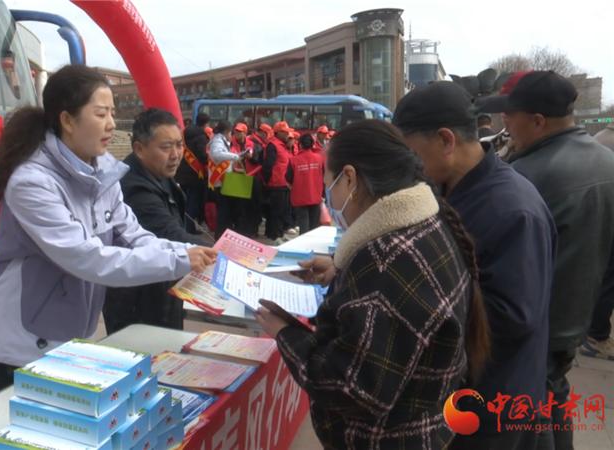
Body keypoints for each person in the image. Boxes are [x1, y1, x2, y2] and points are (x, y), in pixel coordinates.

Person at [0, 65, 218, 393]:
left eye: (112, 114)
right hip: (21, 342)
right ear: (68, 120)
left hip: (73, 332)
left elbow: (135, 237)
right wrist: (180, 260)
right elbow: (87, 258)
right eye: (101, 114)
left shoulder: (103, 174)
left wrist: (192, 253)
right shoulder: (32, 182)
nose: (111, 124)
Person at [254, 120, 491, 449]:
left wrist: (285, 332)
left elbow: (351, 387)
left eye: (329, 184)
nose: (328, 197)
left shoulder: (384, 260)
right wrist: (340, 270)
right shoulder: (426, 223)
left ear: (350, 178)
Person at [394, 81, 556, 450]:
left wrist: (411, 291)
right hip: (458, 389)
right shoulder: (446, 187)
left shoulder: (513, 209)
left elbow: (514, 314)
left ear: (445, 141)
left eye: (412, 152)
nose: (409, 166)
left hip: (493, 402)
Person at [476, 70, 614, 449]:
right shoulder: (607, 162)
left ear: (538, 121)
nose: (505, 124)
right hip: (577, 315)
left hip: (536, 321)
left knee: (532, 416)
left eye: (510, 117)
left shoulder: (523, 179)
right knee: (555, 396)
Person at [102, 108, 210, 335]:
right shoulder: (133, 187)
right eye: (166, 147)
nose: (176, 154)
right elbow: (170, 233)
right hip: (138, 304)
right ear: (139, 149)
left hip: (163, 287)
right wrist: (227, 252)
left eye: (179, 145)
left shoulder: (161, 174)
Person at [580, 124, 614, 361]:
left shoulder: (600, 137)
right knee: (608, 281)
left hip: (598, 215)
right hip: (610, 217)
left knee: (601, 276)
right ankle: (596, 338)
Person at [208, 121, 242, 239]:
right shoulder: (218, 141)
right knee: (223, 211)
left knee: (226, 210)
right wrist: (235, 156)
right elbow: (217, 155)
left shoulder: (220, 140)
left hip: (224, 179)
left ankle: (224, 235)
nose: (231, 136)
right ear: (226, 132)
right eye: (231, 133)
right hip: (220, 181)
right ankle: (220, 236)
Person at [262, 121, 294, 245]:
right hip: (276, 184)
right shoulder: (273, 145)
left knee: (282, 211)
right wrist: (267, 181)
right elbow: (267, 165)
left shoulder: (282, 145)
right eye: (285, 132)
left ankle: (279, 233)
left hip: (284, 183)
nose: (288, 135)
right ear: (279, 132)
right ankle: (275, 236)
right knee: (276, 212)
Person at [177, 113, 210, 234]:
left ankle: (182, 226)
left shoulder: (184, 132)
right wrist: (209, 158)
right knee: (192, 202)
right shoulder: (200, 135)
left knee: (183, 202)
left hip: (181, 172)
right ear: (206, 124)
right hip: (194, 174)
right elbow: (201, 154)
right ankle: (189, 229)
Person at [286, 134, 324, 234]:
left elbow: (288, 177)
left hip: (300, 197)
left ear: (300, 145)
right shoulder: (319, 158)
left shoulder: (294, 160)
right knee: (314, 224)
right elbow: (324, 176)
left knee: (303, 224)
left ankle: (305, 242)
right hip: (315, 195)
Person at [231, 122, 260, 237]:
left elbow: (257, 161)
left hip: (249, 177)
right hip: (235, 177)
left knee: (250, 205)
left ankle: (251, 230)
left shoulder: (252, 144)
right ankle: (239, 229)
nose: (237, 133)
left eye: (240, 131)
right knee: (238, 206)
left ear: (245, 133)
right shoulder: (230, 143)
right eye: (236, 131)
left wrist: (250, 157)